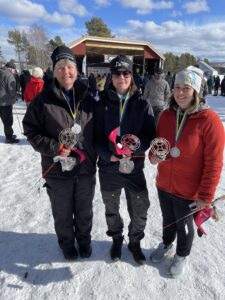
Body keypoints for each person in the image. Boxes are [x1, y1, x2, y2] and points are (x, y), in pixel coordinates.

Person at [149, 66, 225, 278]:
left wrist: (206, 196)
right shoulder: (165, 115)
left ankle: (181, 254)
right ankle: (166, 244)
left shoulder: (209, 120)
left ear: (197, 92)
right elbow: (157, 145)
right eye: (177, 87)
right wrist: (153, 156)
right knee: (168, 220)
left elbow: (214, 162)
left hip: (190, 191)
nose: (180, 93)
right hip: (165, 183)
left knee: (183, 226)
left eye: (186, 88)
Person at [23, 46, 97, 260]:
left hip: (85, 169)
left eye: (70, 67)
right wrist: (56, 147)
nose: (67, 72)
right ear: (54, 70)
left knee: (85, 211)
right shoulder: (41, 100)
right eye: (61, 67)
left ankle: (84, 241)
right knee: (62, 212)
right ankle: (66, 245)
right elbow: (30, 131)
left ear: (76, 69)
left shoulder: (88, 98)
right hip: (56, 169)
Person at [95, 55, 155, 265]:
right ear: (111, 77)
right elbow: (93, 137)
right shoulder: (101, 102)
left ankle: (135, 242)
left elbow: (149, 134)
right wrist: (107, 154)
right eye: (117, 73)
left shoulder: (142, 103)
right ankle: (117, 239)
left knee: (140, 207)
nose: (122, 77)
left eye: (126, 73)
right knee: (111, 208)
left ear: (132, 75)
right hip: (108, 167)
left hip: (134, 167)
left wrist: (137, 148)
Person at [0, 62, 19, 143]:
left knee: (4, 119)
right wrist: (15, 97)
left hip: (1, 100)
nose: (14, 71)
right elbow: (12, 91)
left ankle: (9, 134)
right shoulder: (9, 75)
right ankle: (9, 137)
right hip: (5, 101)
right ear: (11, 68)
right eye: (14, 69)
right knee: (8, 120)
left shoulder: (1, 72)